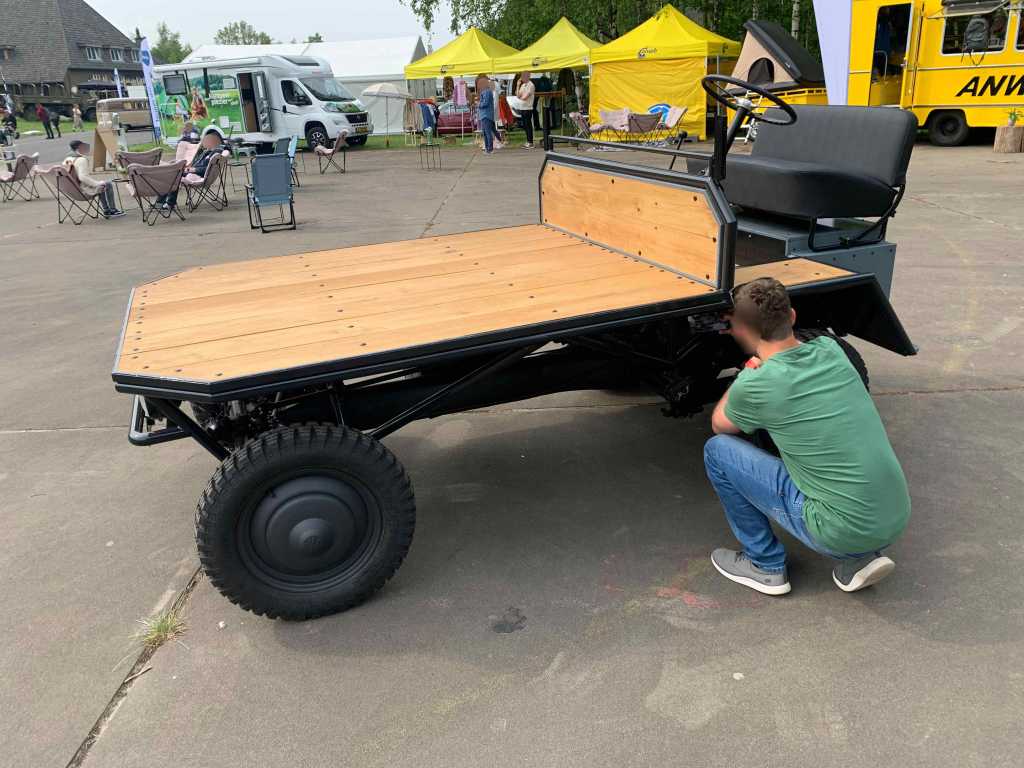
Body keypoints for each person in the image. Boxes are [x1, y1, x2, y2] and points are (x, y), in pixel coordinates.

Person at [704, 277, 910, 595]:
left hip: (836, 528)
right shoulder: (830, 349)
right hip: (894, 515)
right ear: (793, 317)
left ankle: (765, 565)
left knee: (717, 452)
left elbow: (720, 424)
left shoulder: (757, 383)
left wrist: (746, 373)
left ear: (743, 330)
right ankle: (858, 559)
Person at [158, 130, 225, 209]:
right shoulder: (207, 151)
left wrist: (193, 170)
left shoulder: (216, 153)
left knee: (173, 176)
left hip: (199, 175)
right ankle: (163, 201)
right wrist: (189, 167)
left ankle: (168, 203)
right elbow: (196, 163)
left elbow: (208, 169)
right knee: (171, 174)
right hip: (192, 172)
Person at [64, 140, 126, 217]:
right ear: (79, 148)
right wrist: (97, 183)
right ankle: (112, 210)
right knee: (107, 184)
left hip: (72, 190)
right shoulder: (81, 160)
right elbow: (82, 177)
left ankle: (107, 210)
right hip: (83, 190)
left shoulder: (67, 159)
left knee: (102, 184)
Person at [475, 74, 497, 155]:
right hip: (484, 115)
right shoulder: (485, 91)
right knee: (485, 133)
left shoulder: (487, 91)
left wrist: (478, 104)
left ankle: (490, 149)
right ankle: (488, 148)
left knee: (487, 133)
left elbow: (485, 103)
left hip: (486, 115)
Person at [516, 71, 536, 148]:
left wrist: (520, 97)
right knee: (525, 125)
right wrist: (518, 85)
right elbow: (518, 95)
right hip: (522, 107)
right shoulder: (523, 85)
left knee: (528, 125)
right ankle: (528, 141)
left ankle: (530, 142)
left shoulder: (531, 85)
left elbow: (525, 97)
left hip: (528, 108)